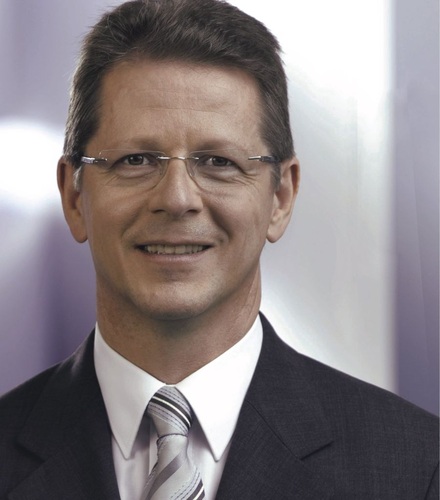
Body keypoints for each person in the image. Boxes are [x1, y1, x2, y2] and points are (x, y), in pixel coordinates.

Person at [0, 0, 438, 498]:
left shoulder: (417, 470)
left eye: (218, 162)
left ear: (280, 197)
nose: (176, 198)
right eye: (137, 160)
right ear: (74, 196)